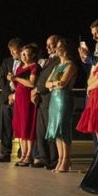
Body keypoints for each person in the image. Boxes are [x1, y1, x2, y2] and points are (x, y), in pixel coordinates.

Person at [45, 39, 76, 173]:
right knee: (56, 130)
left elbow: (63, 83)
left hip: (63, 98)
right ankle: (60, 159)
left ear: (65, 49)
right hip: (54, 99)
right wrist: (53, 83)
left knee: (63, 128)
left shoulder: (70, 65)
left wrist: (54, 83)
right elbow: (47, 83)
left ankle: (66, 159)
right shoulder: (57, 66)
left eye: (58, 47)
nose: (56, 49)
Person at [32, 36, 61, 170]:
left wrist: (38, 89)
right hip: (41, 99)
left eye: (52, 44)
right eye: (47, 44)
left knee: (51, 130)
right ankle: (44, 158)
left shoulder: (60, 60)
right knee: (41, 130)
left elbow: (52, 79)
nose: (48, 47)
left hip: (51, 98)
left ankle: (54, 159)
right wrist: (35, 91)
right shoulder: (48, 60)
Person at [9, 44, 39, 166]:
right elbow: (17, 86)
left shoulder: (34, 66)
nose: (24, 56)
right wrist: (12, 80)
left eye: (27, 54)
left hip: (27, 99)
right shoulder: (20, 68)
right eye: (23, 54)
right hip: (19, 99)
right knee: (20, 126)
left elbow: (31, 83)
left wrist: (16, 78)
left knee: (27, 125)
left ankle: (29, 155)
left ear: (33, 55)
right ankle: (23, 154)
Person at [0, 38, 24, 162]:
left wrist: (15, 95)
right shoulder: (6, 61)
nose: (13, 54)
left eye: (15, 51)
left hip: (21, 98)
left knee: (20, 126)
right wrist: (8, 94)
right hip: (6, 100)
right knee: (5, 127)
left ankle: (22, 151)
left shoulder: (27, 62)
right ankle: (5, 152)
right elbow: (1, 79)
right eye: (11, 51)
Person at [76, 51, 98, 142]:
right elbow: (89, 81)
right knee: (97, 128)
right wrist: (92, 85)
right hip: (94, 97)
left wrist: (93, 83)